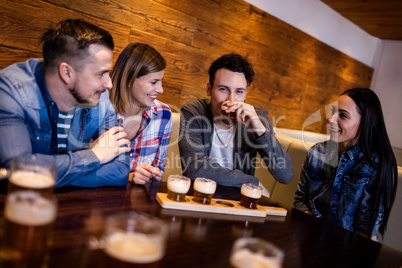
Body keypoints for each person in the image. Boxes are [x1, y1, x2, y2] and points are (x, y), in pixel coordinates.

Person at [0, 19, 131, 188]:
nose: (109, 85)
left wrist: (50, 176)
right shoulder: (11, 91)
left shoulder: (99, 98)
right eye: (101, 74)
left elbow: (121, 170)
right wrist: (94, 157)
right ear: (67, 72)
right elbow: (15, 173)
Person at [179, 53, 293, 193]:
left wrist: (261, 132)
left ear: (245, 94)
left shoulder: (256, 117)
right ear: (209, 89)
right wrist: (251, 182)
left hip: (239, 201)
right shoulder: (195, 111)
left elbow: (285, 176)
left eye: (239, 92)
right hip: (198, 196)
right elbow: (194, 168)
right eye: (223, 89)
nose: (231, 100)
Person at [294, 88, 398, 240]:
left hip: (347, 250)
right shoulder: (317, 152)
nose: (330, 119)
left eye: (343, 115)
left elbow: (366, 231)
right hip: (309, 239)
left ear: (365, 123)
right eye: (333, 111)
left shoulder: (376, 166)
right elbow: (300, 202)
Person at [109, 43, 172, 185]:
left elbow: (158, 174)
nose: (161, 89)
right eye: (154, 82)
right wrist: (128, 177)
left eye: (161, 81)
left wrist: (149, 175)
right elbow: (86, 169)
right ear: (129, 79)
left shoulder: (164, 114)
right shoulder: (99, 111)